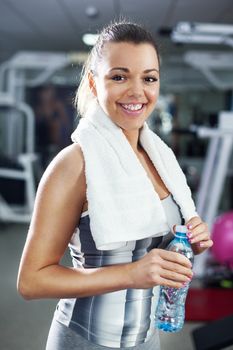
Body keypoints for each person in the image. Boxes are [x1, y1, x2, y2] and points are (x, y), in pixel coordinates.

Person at [17, 21, 213, 350]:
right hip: (85, 339)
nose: (137, 92)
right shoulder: (74, 164)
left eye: (149, 78)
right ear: (94, 84)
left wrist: (189, 240)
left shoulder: (161, 160)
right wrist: (130, 274)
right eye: (119, 76)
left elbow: (153, 250)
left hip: (148, 339)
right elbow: (31, 280)